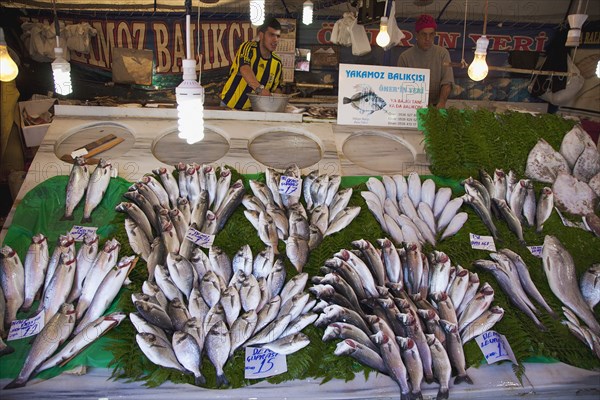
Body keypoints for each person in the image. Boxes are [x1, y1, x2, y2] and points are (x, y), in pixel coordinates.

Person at [220, 17, 283, 110]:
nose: (275, 40)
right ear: (261, 35)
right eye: (271, 35)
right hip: (229, 106)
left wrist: (278, 104)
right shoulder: (247, 47)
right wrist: (260, 89)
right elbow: (244, 68)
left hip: (254, 112)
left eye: (278, 36)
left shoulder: (277, 63)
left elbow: (276, 88)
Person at [397, 14, 454, 109]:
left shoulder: (442, 54)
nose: (428, 39)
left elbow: (447, 82)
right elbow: (399, 87)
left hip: (436, 106)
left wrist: (442, 102)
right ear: (417, 35)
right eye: (424, 34)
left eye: (431, 34)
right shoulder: (405, 57)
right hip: (411, 107)